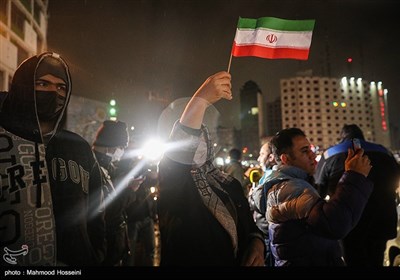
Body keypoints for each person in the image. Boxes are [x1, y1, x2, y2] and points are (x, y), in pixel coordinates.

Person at [0, 52, 106, 266]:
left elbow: (97, 209)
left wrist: (97, 254)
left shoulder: (78, 148)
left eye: (61, 87)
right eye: (42, 83)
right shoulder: (4, 141)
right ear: (22, 86)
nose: (53, 92)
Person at [157, 71, 265, 266]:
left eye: (202, 139)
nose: (196, 145)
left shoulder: (229, 184)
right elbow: (180, 151)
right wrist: (200, 100)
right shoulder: (174, 181)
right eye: (192, 140)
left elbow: (250, 226)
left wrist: (257, 243)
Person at [260, 127, 373, 266]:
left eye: (311, 149)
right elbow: (334, 223)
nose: (312, 155)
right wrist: (355, 175)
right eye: (304, 151)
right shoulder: (288, 189)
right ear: (285, 159)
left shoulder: (292, 183)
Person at [315, 124, 400, 266]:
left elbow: (319, 189)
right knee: (376, 258)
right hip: (382, 219)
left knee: (352, 259)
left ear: (342, 138)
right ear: (362, 135)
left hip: (349, 221)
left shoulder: (330, 155)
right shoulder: (384, 152)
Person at [92, 120, 138, 266]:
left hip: (115, 249)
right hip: (105, 252)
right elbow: (109, 210)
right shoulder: (93, 168)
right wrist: (130, 190)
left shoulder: (108, 166)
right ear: (111, 145)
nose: (122, 152)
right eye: (121, 147)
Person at [248, 140, 277, 266]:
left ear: (271, 157)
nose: (259, 158)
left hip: (269, 238)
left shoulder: (272, 180)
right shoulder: (266, 177)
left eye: (262, 154)